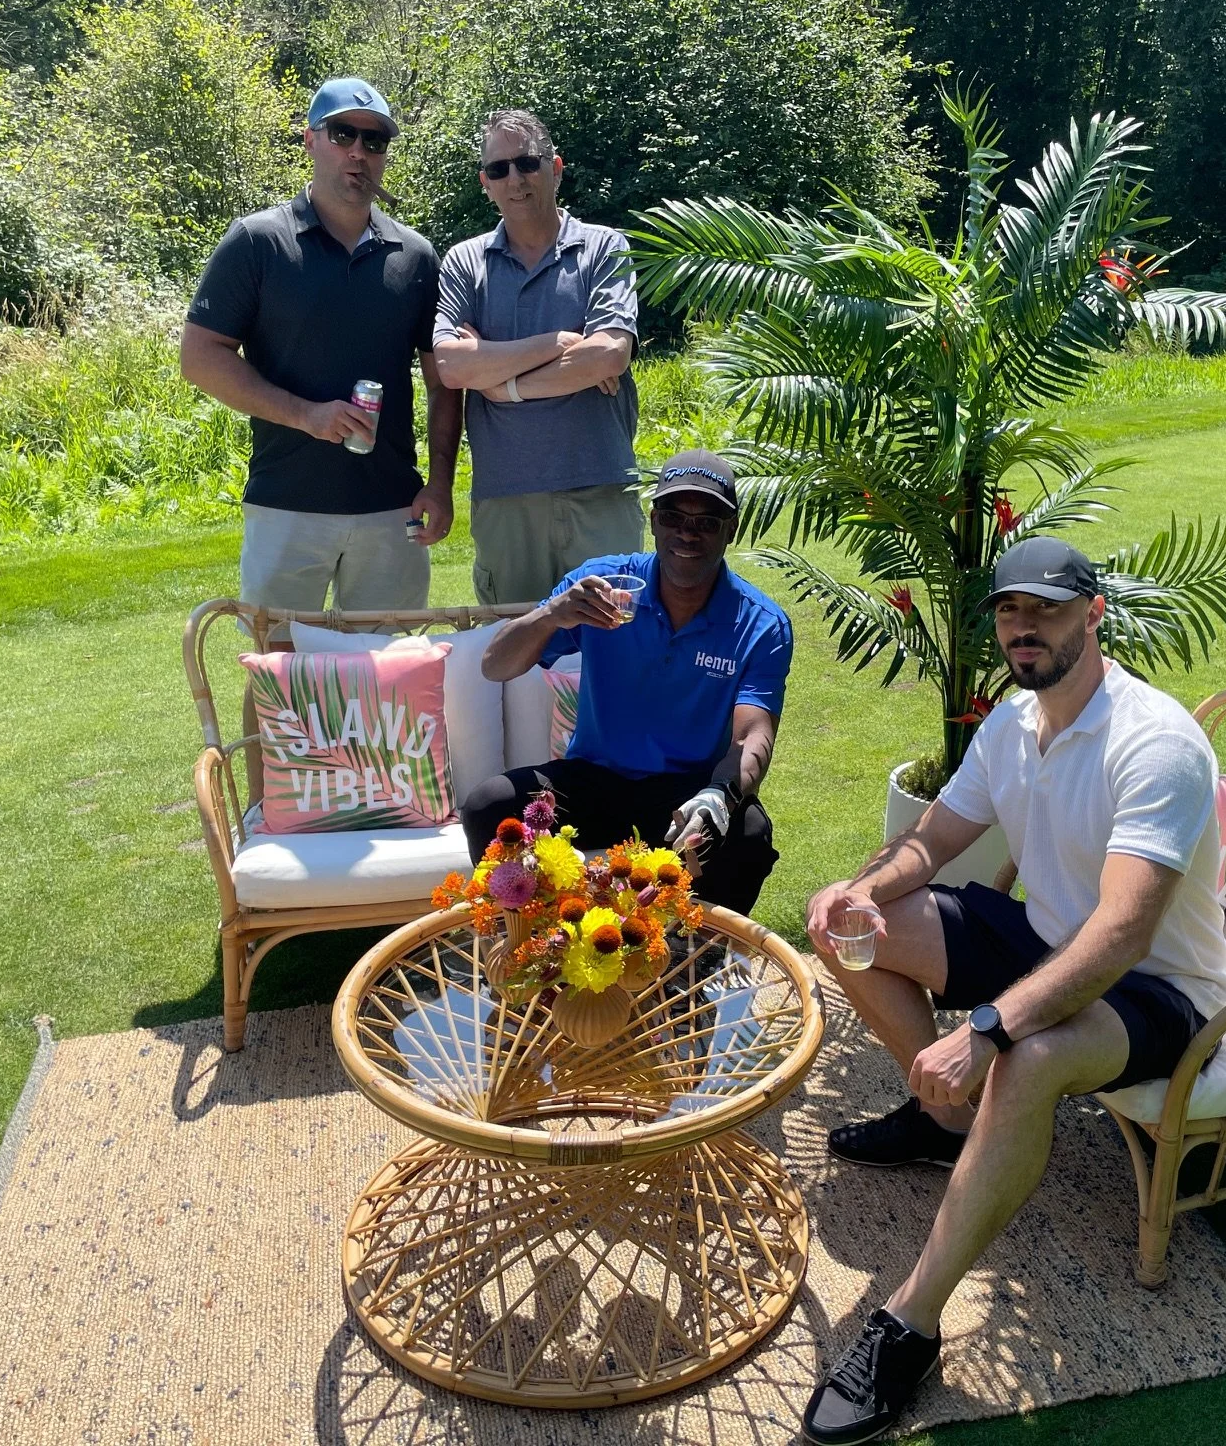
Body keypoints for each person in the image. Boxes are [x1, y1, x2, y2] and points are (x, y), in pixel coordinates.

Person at [797, 536, 1226, 1445]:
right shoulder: (1010, 723)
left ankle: (911, 1322)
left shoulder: (1154, 743)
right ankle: (946, 1123)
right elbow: (932, 840)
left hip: (1160, 992)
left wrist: (987, 1030)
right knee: (853, 933)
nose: (1024, 626)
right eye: (1010, 609)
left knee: (1026, 1055)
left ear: (1095, 614)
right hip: (1046, 941)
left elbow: (1123, 933)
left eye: (1047, 608)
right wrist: (860, 890)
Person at [461, 451, 789, 913]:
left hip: (684, 791)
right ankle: (528, 935)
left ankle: (695, 952)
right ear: (653, 520)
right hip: (594, 778)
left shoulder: (759, 624)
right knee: (488, 805)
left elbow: (753, 734)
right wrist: (551, 615)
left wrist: (720, 794)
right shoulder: (605, 585)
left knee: (749, 834)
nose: (687, 532)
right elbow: (495, 665)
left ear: (730, 529)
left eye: (706, 521)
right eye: (673, 517)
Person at [181, 77, 458, 614]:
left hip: (392, 508)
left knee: (389, 665)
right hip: (286, 505)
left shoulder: (416, 256)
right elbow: (200, 357)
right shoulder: (258, 242)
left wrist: (441, 482)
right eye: (342, 134)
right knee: (276, 660)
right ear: (310, 140)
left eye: (374, 140)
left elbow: (443, 380)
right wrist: (306, 415)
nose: (358, 152)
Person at [431, 108, 642, 605]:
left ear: (556, 168)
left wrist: (501, 385)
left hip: (601, 489)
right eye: (499, 169)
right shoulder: (465, 262)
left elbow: (609, 355)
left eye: (527, 163)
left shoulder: (603, 248)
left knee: (611, 639)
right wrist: (558, 343)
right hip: (506, 500)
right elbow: (452, 366)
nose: (515, 179)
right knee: (514, 643)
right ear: (485, 183)